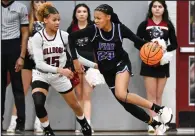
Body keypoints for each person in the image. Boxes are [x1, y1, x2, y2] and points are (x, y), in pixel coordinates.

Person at [68, 4, 174, 135]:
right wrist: (75, 60)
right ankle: (156, 124)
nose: (95, 21)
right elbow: (71, 38)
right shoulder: (93, 30)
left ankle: (160, 109)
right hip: (106, 71)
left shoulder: (119, 29)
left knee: (121, 94)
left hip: (121, 63)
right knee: (127, 105)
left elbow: (138, 41)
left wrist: (153, 46)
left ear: (108, 17)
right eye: (94, 18)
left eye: (98, 18)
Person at [30, 2, 93, 136]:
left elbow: (77, 57)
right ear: (45, 20)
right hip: (41, 74)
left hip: (59, 77)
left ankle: (84, 123)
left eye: (59, 19)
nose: (57, 22)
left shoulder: (64, 36)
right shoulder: (38, 37)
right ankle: (47, 129)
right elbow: (39, 64)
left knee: (75, 105)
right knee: (38, 102)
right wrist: (60, 70)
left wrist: (95, 65)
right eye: (54, 20)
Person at [134, 0, 178, 133]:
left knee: (159, 95)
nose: (157, 9)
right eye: (155, 6)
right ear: (151, 8)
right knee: (151, 95)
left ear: (164, 9)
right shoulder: (144, 24)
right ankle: (153, 123)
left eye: (160, 6)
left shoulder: (168, 25)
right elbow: (137, 42)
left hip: (163, 62)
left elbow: (174, 44)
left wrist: (164, 48)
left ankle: (161, 124)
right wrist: (148, 47)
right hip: (149, 63)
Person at [6, 0, 46, 133]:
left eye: (43, 1)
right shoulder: (27, 17)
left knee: (40, 93)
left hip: (43, 60)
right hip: (28, 59)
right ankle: (13, 122)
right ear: (32, 4)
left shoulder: (50, 17)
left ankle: (39, 123)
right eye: (37, 1)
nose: (39, 4)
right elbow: (21, 36)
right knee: (21, 91)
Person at [67, 3, 105, 133]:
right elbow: (68, 49)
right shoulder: (71, 29)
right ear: (75, 14)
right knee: (79, 95)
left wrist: (97, 64)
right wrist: (75, 62)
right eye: (79, 11)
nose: (82, 13)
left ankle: (88, 125)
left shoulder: (94, 28)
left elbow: (100, 46)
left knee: (87, 96)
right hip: (76, 65)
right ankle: (83, 125)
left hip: (91, 65)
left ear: (88, 14)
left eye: (84, 11)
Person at [1, 0, 29, 132]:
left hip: (13, 47)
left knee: (17, 87)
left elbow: (25, 33)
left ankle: (20, 122)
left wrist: (22, 56)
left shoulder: (21, 7)